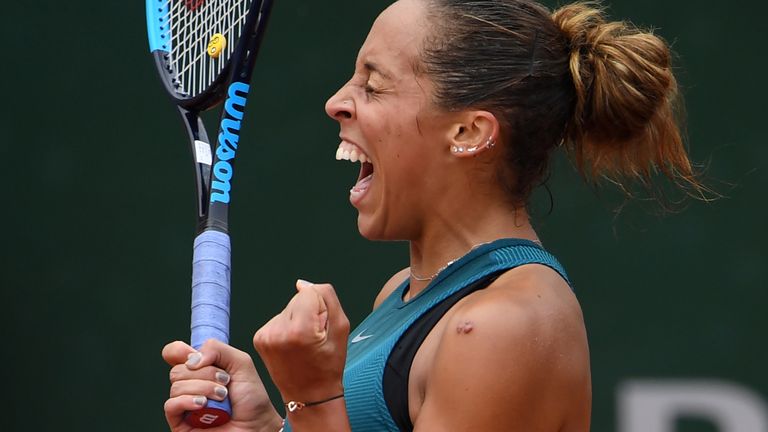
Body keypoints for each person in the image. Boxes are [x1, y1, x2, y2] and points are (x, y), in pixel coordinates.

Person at [162, 0, 703, 430]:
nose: (336, 102)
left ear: (468, 133)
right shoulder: (405, 294)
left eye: (372, 85)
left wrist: (313, 394)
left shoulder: (501, 329)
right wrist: (267, 427)